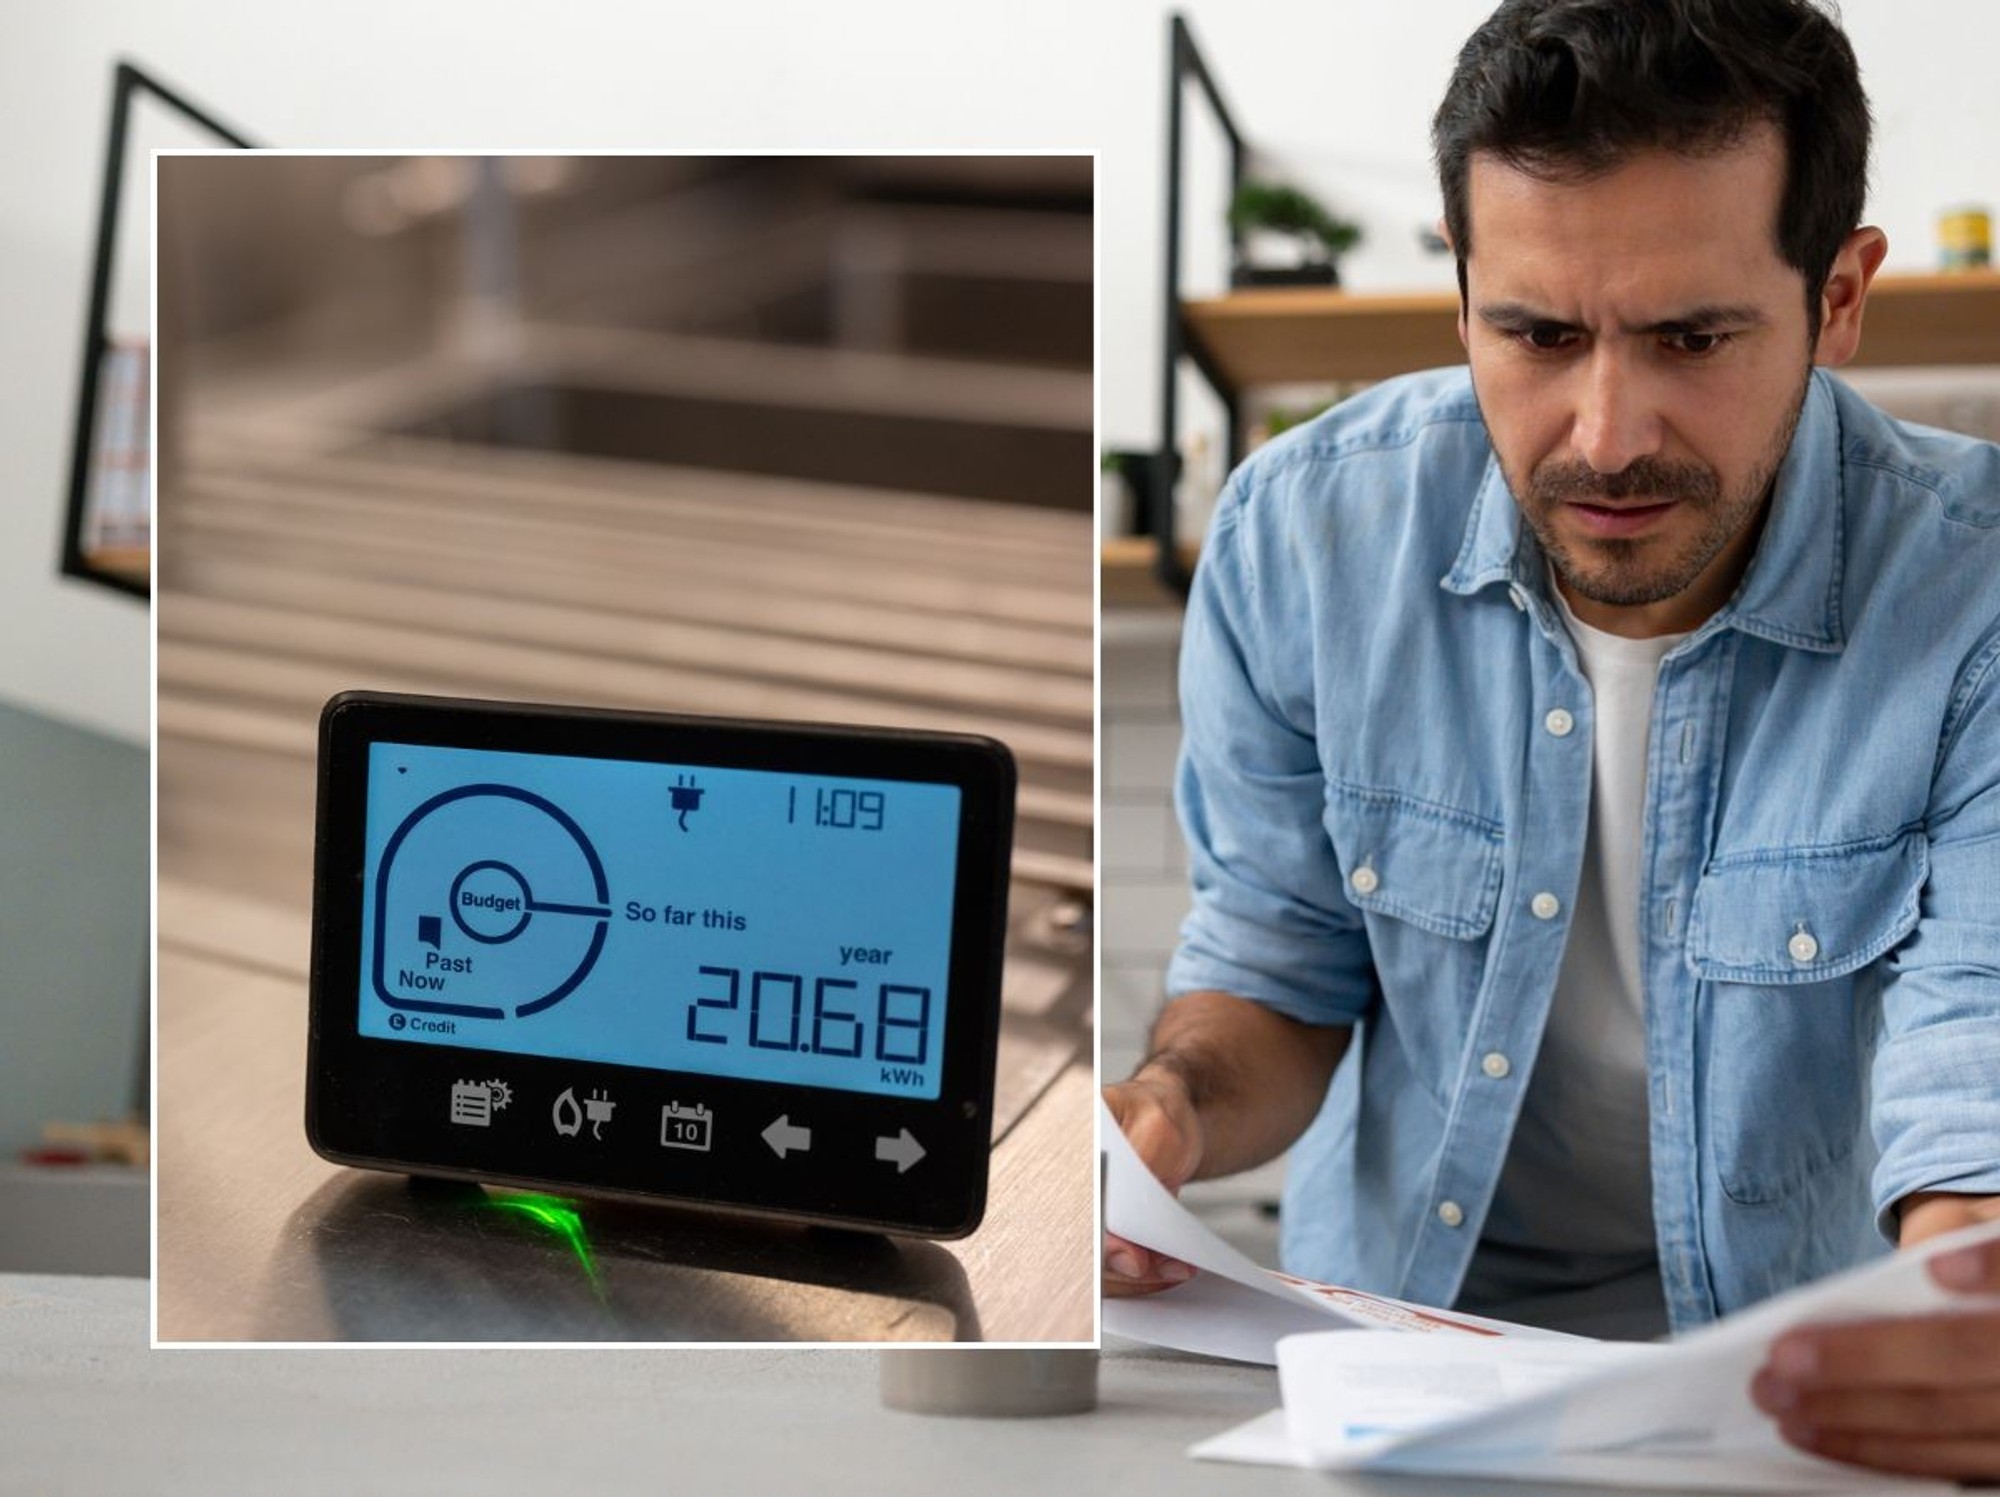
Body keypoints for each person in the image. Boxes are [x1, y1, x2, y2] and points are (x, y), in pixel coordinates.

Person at [1105, 0, 2000, 1479]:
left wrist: (1968, 1310)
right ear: (1460, 293)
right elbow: (1274, 965)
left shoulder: (1970, 586)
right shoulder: (1302, 536)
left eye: (1692, 336)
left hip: (1798, 1391)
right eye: (1535, 333)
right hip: (1391, 1364)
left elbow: (1973, 1064)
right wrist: (1167, 1116)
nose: (1604, 432)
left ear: (1840, 297)